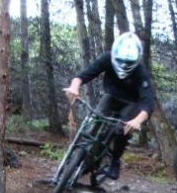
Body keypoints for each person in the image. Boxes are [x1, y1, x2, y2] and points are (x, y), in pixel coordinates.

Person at [64, 32, 154, 180]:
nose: (124, 65)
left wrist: (137, 121)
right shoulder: (107, 58)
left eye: (129, 63)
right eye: (120, 61)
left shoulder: (141, 72)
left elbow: (147, 102)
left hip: (132, 102)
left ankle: (114, 161)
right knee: (95, 120)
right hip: (111, 96)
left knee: (122, 129)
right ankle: (81, 155)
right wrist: (74, 87)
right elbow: (85, 74)